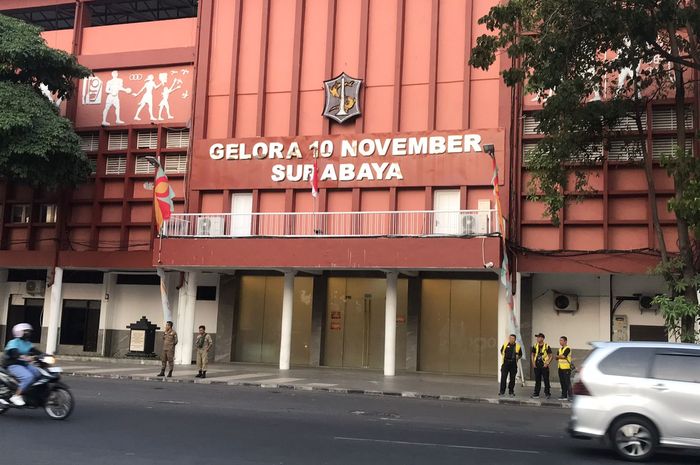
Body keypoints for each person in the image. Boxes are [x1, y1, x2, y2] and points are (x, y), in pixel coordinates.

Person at [2, 323, 41, 406]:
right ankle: (16, 396)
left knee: (38, 373)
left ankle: (29, 392)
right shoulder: (13, 343)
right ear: (19, 332)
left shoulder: (28, 343)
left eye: (29, 331)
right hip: (12, 365)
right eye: (26, 331)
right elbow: (14, 353)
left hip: (23, 364)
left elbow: (36, 351)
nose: (28, 333)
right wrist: (24, 357)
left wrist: (45, 355)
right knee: (28, 377)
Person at [530, 333, 552, 399]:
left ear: (542, 338)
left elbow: (551, 356)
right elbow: (532, 354)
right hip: (537, 365)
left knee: (546, 380)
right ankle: (536, 393)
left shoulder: (547, 346)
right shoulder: (535, 346)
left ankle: (547, 393)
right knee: (537, 380)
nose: (537, 339)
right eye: (537, 337)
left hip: (544, 365)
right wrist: (533, 362)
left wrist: (547, 363)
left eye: (539, 337)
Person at [556, 336, 573, 400]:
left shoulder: (568, 348)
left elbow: (563, 356)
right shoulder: (560, 349)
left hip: (566, 368)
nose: (560, 342)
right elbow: (556, 357)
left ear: (565, 341)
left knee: (567, 382)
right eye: (559, 340)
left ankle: (571, 396)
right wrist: (560, 356)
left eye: (561, 340)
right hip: (560, 367)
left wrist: (559, 356)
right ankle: (564, 395)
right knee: (562, 382)